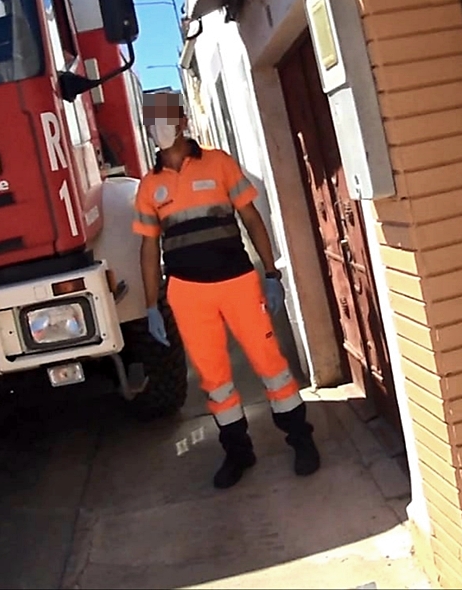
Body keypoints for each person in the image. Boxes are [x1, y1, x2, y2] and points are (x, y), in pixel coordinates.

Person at [133, 93, 320, 490]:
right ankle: (238, 452)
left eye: (164, 118)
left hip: (237, 282)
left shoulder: (218, 163)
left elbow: (251, 217)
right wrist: (152, 305)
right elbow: (149, 247)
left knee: (271, 366)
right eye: (151, 121)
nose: (159, 128)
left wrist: (271, 273)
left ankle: (301, 440)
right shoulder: (149, 187)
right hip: (187, 292)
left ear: (182, 120)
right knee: (214, 380)